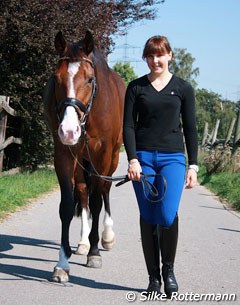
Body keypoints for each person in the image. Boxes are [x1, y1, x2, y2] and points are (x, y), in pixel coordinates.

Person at [123, 35, 198, 297]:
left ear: (170, 56)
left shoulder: (184, 88)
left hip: (173, 158)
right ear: (146, 58)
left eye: (160, 54)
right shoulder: (135, 88)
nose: (155, 60)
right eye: (150, 55)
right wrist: (132, 159)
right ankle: (153, 278)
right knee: (148, 216)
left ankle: (169, 270)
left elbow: (190, 129)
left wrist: (194, 166)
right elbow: (128, 126)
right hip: (142, 158)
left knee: (166, 215)